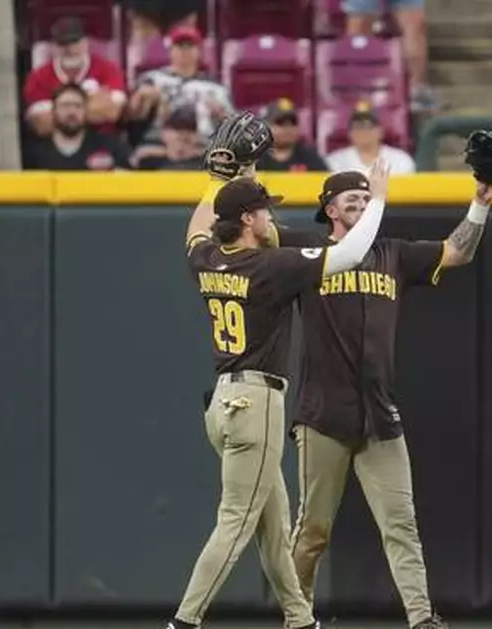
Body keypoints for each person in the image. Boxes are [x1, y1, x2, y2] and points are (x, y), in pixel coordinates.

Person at [170, 112, 395, 629]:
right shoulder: (272, 266)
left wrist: (222, 181)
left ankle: (299, 620)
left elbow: (197, 227)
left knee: (273, 526)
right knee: (236, 523)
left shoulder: (208, 258)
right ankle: (183, 622)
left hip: (224, 405)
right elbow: (353, 251)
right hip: (257, 404)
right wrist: (378, 198)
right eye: (265, 211)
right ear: (249, 221)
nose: (272, 217)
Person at [269, 169, 492, 629]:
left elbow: (457, 252)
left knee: (402, 527)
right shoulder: (308, 252)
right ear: (329, 209)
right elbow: (257, 228)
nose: (360, 202)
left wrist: (481, 203)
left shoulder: (392, 254)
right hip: (323, 415)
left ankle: (421, 618)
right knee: (312, 532)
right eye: (350, 199)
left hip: (380, 416)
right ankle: (296, 618)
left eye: (365, 196)